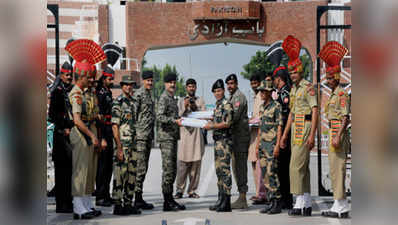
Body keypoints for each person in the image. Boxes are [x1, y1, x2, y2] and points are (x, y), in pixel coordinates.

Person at [280, 35, 318, 217]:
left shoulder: (308, 87)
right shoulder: (294, 89)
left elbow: (315, 110)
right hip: (296, 126)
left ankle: (299, 201)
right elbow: (292, 115)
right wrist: (284, 135)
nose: (292, 75)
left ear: (301, 72)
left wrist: (313, 136)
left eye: (295, 72)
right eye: (290, 72)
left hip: (306, 125)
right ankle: (307, 202)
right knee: (303, 168)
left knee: (295, 166)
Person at [319, 41, 350, 218]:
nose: (328, 80)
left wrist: (338, 136)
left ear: (337, 77)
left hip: (339, 134)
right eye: (327, 78)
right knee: (334, 169)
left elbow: (345, 117)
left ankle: (341, 206)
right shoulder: (333, 93)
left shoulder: (341, 93)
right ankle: (339, 204)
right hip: (333, 133)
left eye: (330, 78)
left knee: (338, 169)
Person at [68, 61, 102, 219]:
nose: (91, 80)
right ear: (81, 77)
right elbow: (77, 120)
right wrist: (92, 135)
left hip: (88, 133)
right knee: (80, 171)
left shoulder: (85, 93)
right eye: (88, 77)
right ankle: (79, 208)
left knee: (90, 171)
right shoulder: (76, 93)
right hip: (81, 135)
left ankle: (87, 204)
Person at [111, 75, 141, 215]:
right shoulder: (118, 102)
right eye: (126, 85)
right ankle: (118, 204)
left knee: (132, 174)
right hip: (123, 144)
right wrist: (119, 147)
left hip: (133, 144)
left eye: (131, 85)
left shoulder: (134, 102)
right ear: (122, 86)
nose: (129, 87)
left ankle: (128, 202)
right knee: (120, 174)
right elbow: (115, 126)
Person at [156, 72, 185, 211]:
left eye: (174, 82)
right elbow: (160, 117)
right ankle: (167, 201)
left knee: (172, 170)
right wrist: (174, 121)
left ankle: (170, 199)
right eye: (170, 82)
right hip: (166, 138)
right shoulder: (164, 98)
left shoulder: (172, 98)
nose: (173, 84)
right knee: (168, 170)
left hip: (173, 137)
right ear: (165, 84)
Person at [204, 79, 233, 212]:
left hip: (224, 142)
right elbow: (217, 119)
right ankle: (220, 199)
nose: (217, 93)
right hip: (217, 142)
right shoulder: (218, 105)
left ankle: (226, 202)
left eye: (219, 90)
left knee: (225, 171)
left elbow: (227, 123)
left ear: (223, 91)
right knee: (219, 171)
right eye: (215, 91)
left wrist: (212, 126)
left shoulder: (227, 104)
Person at [48, 61, 74, 213]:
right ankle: (61, 204)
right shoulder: (57, 91)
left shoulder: (70, 90)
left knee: (69, 171)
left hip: (70, 135)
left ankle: (68, 201)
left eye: (71, 75)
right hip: (60, 136)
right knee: (61, 172)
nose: (69, 77)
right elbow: (52, 115)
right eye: (67, 75)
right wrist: (63, 127)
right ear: (61, 75)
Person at [255, 80, 283, 214]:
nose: (261, 93)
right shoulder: (262, 107)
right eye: (260, 91)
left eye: (263, 91)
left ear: (269, 92)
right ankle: (270, 201)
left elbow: (279, 126)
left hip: (272, 145)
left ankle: (277, 202)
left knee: (272, 174)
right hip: (262, 145)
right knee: (265, 174)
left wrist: (277, 145)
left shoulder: (276, 106)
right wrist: (257, 146)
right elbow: (260, 127)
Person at [175, 78, 206, 199]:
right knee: (182, 166)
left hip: (197, 138)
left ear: (196, 87)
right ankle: (179, 190)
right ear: (186, 88)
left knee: (195, 166)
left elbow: (204, 116)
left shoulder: (200, 101)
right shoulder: (181, 101)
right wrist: (185, 106)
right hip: (184, 138)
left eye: (193, 86)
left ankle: (192, 190)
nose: (191, 88)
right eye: (189, 86)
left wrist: (194, 107)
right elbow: (178, 115)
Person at [225, 74, 250, 209]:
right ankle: (241, 197)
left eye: (232, 83)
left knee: (240, 167)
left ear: (236, 83)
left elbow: (233, 117)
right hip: (235, 138)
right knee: (236, 167)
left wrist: (217, 120)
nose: (230, 86)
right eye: (228, 83)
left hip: (240, 138)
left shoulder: (238, 97)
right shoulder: (232, 97)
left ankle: (243, 198)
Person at [132, 70, 155, 210]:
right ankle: (136, 198)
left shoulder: (149, 95)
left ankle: (139, 197)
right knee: (139, 168)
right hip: (140, 137)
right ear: (143, 80)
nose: (150, 83)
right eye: (148, 80)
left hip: (148, 137)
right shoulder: (139, 94)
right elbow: (134, 115)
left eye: (152, 80)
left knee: (144, 168)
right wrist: (135, 134)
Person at [272, 66, 294, 210]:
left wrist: (282, 137)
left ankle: (286, 199)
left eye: (274, 79)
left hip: (285, 134)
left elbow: (285, 116)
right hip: (283, 134)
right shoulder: (282, 92)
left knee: (283, 169)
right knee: (282, 168)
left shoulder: (284, 93)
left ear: (279, 79)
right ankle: (286, 198)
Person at [95, 66, 115, 207]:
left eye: (112, 78)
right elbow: (99, 117)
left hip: (109, 129)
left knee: (108, 166)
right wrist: (101, 137)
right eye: (109, 78)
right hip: (102, 129)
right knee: (102, 167)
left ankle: (107, 194)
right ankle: (100, 196)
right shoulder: (99, 93)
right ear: (104, 78)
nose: (111, 80)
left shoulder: (108, 91)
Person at [247, 74, 267, 205]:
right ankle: (258, 193)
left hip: (261, 133)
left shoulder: (262, 97)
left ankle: (262, 194)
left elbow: (262, 117)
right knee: (254, 163)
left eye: (256, 83)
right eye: (252, 83)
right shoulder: (255, 97)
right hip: (253, 134)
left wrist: (252, 120)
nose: (254, 85)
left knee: (260, 164)